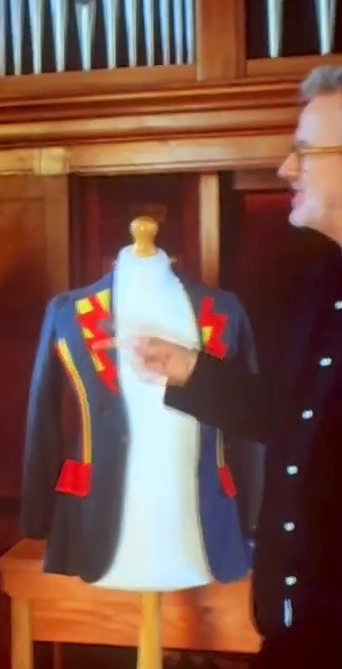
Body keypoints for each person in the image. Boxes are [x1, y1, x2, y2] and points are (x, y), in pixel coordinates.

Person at [106, 65, 342, 666]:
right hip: (299, 630)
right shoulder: (320, 280)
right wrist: (193, 372)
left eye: (304, 152)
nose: (285, 168)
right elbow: (298, 422)